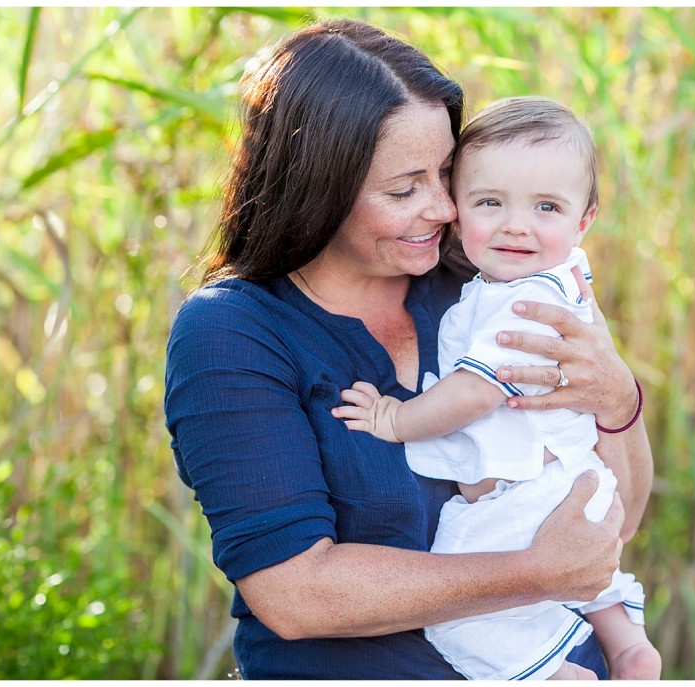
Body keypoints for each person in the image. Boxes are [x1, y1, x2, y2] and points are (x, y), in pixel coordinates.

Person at [164, 18, 654, 680]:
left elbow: (611, 525)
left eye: (447, 173)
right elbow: (294, 594)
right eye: (404, 189)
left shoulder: (488, 284)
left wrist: (616, 396)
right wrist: (532, 573)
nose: (446, 208)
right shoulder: (234, 334)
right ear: (317, 190)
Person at [332, 96, 661, 680]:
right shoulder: (551, 282)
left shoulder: (524, 302)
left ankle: (557, 676)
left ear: (584, 220)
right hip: (566, 480)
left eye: (546, 207)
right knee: (590, 574)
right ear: (456, 208)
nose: (516, 224)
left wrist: (395, 420)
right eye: (490, 202)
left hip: (523, 494)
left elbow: (477, 391)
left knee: (463, 619)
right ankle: (629, 646)